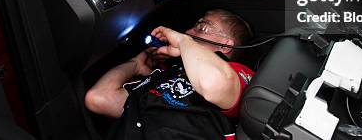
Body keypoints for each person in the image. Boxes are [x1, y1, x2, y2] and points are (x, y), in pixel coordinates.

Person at [85, 9, 254, 139]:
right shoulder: (167, 75)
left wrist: (183, 41)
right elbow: (99, 98)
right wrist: (136, 64)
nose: (188, 31)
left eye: (202, 27)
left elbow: (212, 86)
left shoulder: (236, 73)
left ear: (226, 46)